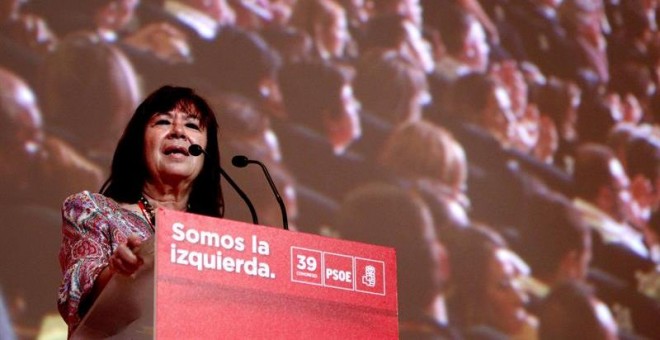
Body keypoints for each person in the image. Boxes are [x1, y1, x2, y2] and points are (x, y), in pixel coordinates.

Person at [57, 85, 223, 334]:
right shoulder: (92, 210)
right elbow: (75, 292)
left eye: (192, 126)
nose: (178, 132)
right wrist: (116, 272)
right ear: (139, 143)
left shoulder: (220, 239)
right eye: (163, 121)